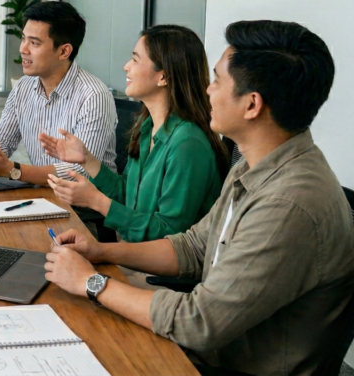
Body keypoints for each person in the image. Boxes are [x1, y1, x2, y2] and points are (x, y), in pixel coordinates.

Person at [44, 20, 354, 376]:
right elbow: (194, 247)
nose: (207, 90)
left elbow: (199, 322)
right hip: (212, 352)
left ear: (252, 105)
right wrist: (100, 252)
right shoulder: (254, 166)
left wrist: (92, 281)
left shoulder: (288, 204)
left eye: (218, 81)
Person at [39, 25, 228, 242]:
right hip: (134, 255)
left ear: (164, 76)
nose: (126, 67)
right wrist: (87, 160)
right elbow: (130, 195)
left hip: (158, 271)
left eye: (136, 59)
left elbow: (170, 236)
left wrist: (96, 202)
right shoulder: (147, 126)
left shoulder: (188, 143)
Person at [0, 1, 117, 186]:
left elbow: (81, 172)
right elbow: (2, 143)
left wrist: (14, 171)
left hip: (87, 206)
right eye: (23, 38)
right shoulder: (23, 87)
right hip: (44, 194)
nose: (23, 49)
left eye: (34, 42)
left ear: (64, 51)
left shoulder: (94, 96)